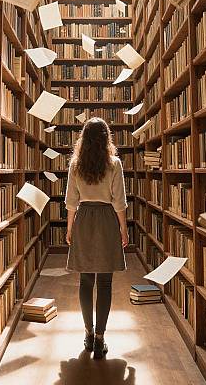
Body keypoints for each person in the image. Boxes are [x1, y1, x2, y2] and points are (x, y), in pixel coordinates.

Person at [65, 117, 129, 359]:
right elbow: (119, 202)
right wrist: (123, 229)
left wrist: (70, 228)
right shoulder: (114, 164)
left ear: (84, 139)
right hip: (106, 219)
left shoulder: (75, 165)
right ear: (106, 139)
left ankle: (88, 334)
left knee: (85, 281)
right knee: (104, 283)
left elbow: (71, 202)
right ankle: (100, 337)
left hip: (83, 219)